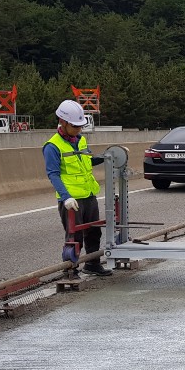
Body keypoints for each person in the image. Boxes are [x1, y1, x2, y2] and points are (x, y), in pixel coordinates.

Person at [43, 99, 112, 278]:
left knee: (94, 232)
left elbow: (87, 161)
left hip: (88, 194)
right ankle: (70, 269)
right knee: (74, 236)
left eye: (81, 126)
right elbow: (53, 174)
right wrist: (66, 197)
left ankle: (92, 264)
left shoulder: (81, 141)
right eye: (75, 126)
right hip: (71, 199)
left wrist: (107, 156)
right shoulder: (52, 146)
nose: (79, 129)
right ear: (63, 122)